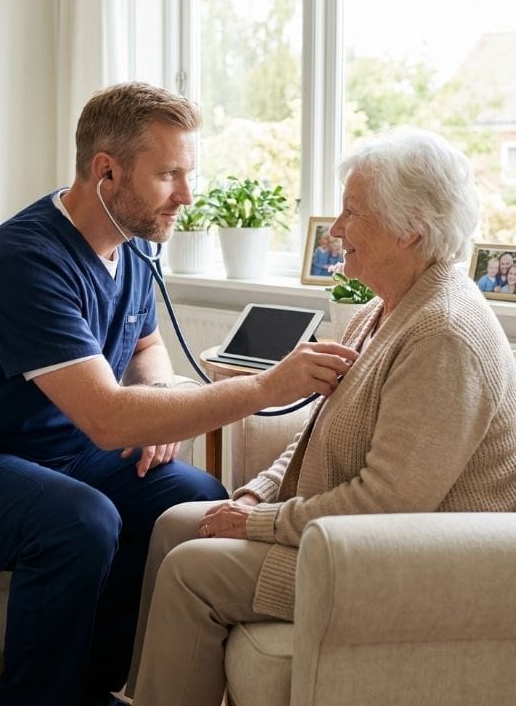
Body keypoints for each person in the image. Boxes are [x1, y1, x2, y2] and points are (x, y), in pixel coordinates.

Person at [0, 82, 358, 706]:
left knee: (193, 496)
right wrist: (266, 386)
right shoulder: (26, 260)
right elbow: (105, 416)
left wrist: (157, 401)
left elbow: (145, 344)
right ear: (106, 172)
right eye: (169, 175)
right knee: (79, 521)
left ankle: (95, 686)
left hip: (60, 451)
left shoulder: (135, 243)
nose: (187, 195)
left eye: (189, 173)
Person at [126, 127, 516, 706]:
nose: (335, 231)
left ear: (410, 228)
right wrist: (257, 495)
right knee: (174, 522)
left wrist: (257, 524)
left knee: (192, 571)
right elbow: (312, 436)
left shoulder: (444, 336)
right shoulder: (385, 309)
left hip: (403, 563)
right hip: (339, 537)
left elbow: (388, 506)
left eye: (351, 212)